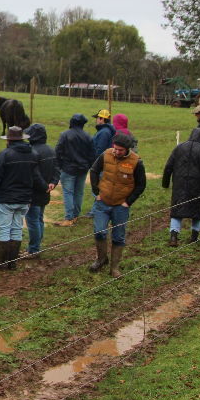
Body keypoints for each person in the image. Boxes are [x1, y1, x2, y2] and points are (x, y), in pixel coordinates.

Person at [0, 127, 47, 269]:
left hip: (6, 198)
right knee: (17, 228)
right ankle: (12, 262)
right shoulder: (33, 154)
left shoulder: (5, 155)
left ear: (8, 140)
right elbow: (36, 177)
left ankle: (1, 262)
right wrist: (45, 188)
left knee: (3, 229)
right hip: (25, 199)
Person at [89, 133, 146, 278]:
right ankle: (101, 259)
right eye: (115, 149)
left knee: (118, 237)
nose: (116, 152)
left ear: (127, 149)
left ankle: (114, 267)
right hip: (102, 202)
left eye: (120, 150)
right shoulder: (105, 155)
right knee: (99, 231)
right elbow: (94, 170)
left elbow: (141, 185)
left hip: (121, 205)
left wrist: (128, 202)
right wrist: (96, 192)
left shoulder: (136, 162)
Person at [162, 129, 200, 246]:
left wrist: (165, 183)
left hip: (179, 185)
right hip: (199, 186)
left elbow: (168, 166)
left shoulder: (179, 148)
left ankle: (173, 237)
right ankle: (194, 238)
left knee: (176, 210)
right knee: (197, 211)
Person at [24, 124, 60, 258]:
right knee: (39, 219)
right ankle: (36, 247)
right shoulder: (51, 150)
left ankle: (33, 250)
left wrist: (44, 185)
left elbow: (34, 174)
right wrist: (53, 183)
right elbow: (57, 169)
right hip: (46, 191)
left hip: (34, 191)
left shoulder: (31, 152)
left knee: (33, 220)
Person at [54, 114, 96, 226]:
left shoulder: (65, 135)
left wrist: (59, 166)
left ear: (71, 122)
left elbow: (58, 151)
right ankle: (76, 216)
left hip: (68, 169)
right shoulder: (88, 136)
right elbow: (92, 154)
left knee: (68, 192)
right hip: (83, 169)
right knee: (79, 193)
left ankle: (68, 218)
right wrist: (88, 166)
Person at [85, 109, 116, 218]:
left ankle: (96, 211)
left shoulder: (104, 132)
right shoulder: (104, 131)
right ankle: (96, 210)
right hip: (102, 163)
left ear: (102, 119)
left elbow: (100, 150)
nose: (96, 120)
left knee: (98, 188)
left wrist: (94, 164)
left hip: (100, 164)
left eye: (97, 118)